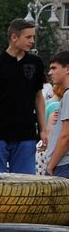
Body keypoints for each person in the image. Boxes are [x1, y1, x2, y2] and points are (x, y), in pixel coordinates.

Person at [0, 18, 47, 174]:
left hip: (26, 133)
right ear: (14, 37)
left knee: (24, 185)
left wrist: (44, 129)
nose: (32, 41)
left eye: (33, 37)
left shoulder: (35, 62)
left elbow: (39, 97)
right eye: (28, 37)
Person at [45, 49, 69, 178]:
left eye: (54, 68)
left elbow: (66, 136)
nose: (50, 73)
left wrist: (51, 165)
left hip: (63, 164)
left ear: (67, 69)